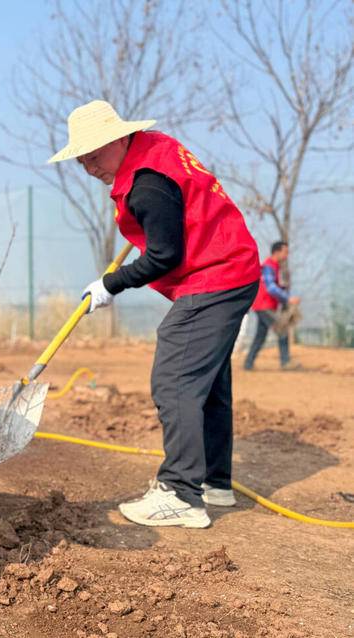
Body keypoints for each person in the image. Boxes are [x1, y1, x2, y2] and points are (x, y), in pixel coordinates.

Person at [48, 100, 260, 529]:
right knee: (207, 383)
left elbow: (165, 255)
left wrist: (111, 284)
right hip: (233, 266)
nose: (89, 167)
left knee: (175, 378)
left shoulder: (147, 185)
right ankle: (214, 482)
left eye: (94, 155)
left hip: (216, 275)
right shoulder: (154, 151)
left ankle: (181, 493)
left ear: (119, 139)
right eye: (81, 160)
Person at [244, 240, 301, 370]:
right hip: (264, 305)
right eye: (285, 252)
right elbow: (271, 288)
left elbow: (273, 286)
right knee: (282, 329)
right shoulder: (269, 266)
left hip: (262, 305)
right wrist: (288, 299)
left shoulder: (273, 266)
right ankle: (285, 362)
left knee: (260, 336)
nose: (287, 255)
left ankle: (248, 363)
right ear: (277, 252)